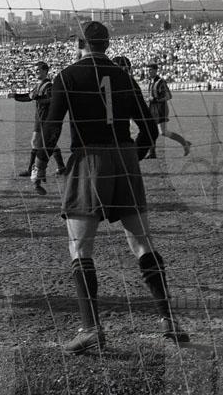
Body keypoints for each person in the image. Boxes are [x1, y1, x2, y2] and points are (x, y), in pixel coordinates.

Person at [39, 21, 188, 354]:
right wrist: (133, 156)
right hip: (124, 159)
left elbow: (52, 127)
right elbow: (149, 129)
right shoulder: (125, 76)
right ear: (107, 45)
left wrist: (40, 165)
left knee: (80, 247)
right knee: (142, 241)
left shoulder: (66, 76)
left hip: (89, 160)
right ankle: (168, 320)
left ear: (80, 44)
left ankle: (90, 328)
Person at [9, 61, 66, 195]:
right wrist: (15, 96)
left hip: (45, 118)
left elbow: (52, 100)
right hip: (39, 118)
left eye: (38, 69)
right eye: (35, 70)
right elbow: (29, 97)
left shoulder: (48, 86)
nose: (35, 72)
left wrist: (39, 98)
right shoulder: (38, 85)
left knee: (35, 141)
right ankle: (61, 167)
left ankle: (31, 169)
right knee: (49, 144)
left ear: (45, 71)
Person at [145, 62, 191, 159]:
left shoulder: (161, 82)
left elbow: (169, 96)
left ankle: (184, 143)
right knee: (150, 130)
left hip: (161, 110)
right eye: (147, 70)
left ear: (155, 70)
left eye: (150, 70)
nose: (148, 72)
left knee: (163, 132)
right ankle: (152, 153)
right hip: (152, 110)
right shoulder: (151, 81)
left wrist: (155, 99)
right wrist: (149, 99)